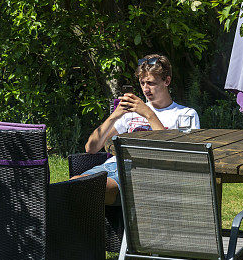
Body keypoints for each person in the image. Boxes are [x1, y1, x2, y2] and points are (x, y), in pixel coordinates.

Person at [76, 53, 200, 204]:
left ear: (167, 81)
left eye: (151, 83)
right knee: (71, 186)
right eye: (142, 83)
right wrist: (114, 116)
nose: (145, 89)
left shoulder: (185, 114)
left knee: (87, 190)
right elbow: (91, 148)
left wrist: (148, 114)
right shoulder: (131, 113)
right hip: (113, 165)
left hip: (144, 171)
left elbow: (180, 156)